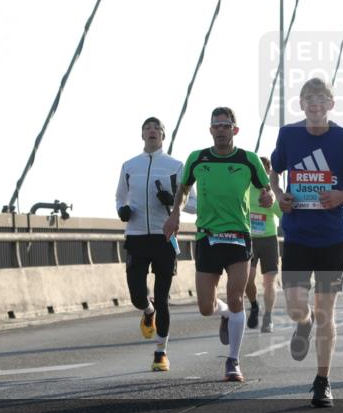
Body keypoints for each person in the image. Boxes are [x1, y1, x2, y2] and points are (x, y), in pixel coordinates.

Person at [270, 78, 343, 407]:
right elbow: (273, 172)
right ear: (301, 104)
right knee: (295, 308)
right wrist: (279, 197)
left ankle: (323, 381)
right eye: (308, 99)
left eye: (321, 99)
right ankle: (303, 325)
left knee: (326, 311)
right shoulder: (288, 135)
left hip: (332, 237)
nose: (315, 104)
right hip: (298, 234)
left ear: (331, 104)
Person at [163, 107, 272, 382]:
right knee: (205, 307)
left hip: (238, 236)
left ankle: (233, 361)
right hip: (207, 237)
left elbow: (265, 188)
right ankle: (224, 315)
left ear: (235, 130)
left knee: (236, 296)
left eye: (226, 125)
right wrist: (176, 213)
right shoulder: (198, 158)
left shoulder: (248, 160)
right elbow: (184, 189)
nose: (221, 130)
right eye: (217, 126)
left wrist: (269, 197)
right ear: (210, 130)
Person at [115, 117, 184, 372]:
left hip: (164, 236)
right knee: (136, 295)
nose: (152, 131)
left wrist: (174, 201)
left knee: (163, 297)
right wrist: (121, 209)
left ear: (163, 136)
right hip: (135, 236)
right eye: (147, 128)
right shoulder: (129, 166)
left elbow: (193, 202)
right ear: (142, 135)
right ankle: (147, 311)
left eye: (157, 129)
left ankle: (160, 352)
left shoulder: (175, 165)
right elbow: (120, 195)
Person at [245, 156, 282, 332]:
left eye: (265, 169)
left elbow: (282, 214)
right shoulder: (245, 186)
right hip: (249, 238)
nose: (262, 171)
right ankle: (254, 304)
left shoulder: (271, 189)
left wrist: (273, 200)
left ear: (268, 171)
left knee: (269, 282)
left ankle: (268, 316)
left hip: (268, 238)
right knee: (247, 279)